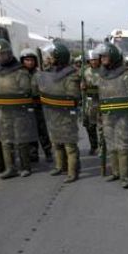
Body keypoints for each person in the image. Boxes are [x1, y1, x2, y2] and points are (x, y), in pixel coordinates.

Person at [33, 42, 81, 183]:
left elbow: (73, 95)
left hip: (66, 114)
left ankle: (72, 172)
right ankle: (60, 166)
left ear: (59, 58)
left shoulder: (71, 75)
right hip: (52, 113)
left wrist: (52, 94)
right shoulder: (49, 72)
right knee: (56, 142)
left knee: (69, 145)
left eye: (52, 57)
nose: (50, 59)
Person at [0, 39, 38, 178]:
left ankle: (25, 167)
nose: (1, 57)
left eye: (3, 54)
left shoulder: (20, 71)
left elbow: (26, 90)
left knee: (21, 139)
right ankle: (10, 168)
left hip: (19, 111)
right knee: (5, 140)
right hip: (2, 111)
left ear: (9, 53)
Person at [95, 42, 128, 188]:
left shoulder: (125, 74)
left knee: (123, 146)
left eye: (105, 56)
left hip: (122, 116)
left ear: (113, 56)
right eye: (101, 57)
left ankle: (124, 177)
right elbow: (99, 94)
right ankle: (115, 172)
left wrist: (123, 105)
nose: (103, 59)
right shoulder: (101, 74)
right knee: (111, 145)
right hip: (107, 115)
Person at [81, 49, 101, 155]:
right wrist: (82, 86)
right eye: (91, 60)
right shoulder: (85, 71)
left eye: (95, 60)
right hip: (89, 101)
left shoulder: (103, 71)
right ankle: (94, 146)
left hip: (101, 100)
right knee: (90, 126)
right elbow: (81, 85)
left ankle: (103, 146)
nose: (93, 62)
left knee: (102, 126)